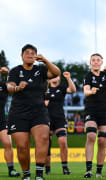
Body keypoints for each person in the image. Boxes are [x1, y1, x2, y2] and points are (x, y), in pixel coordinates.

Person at [6, 44, 60, 180]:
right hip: (18, 113)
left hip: (39, 111)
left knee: (43, 138)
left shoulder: (41, 70)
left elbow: (56, 73)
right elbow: (10, 86)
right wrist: (17, 88)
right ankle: (26, 174)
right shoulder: (15, 71)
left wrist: (46, 61)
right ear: (22, 55)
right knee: (22, 147)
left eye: (33, 53)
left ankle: (39, 174)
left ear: (36, 56)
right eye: (27, 53)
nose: (30, 55)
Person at [83, 53, 106, 178]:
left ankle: (99, 171)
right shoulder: (88, 76)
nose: (95, 62)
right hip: (91, 110)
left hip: (104, 110)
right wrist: (91, 91)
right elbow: (86, 91)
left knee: (102, 140)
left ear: (101, 62)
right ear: (90, 63)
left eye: (98, 60)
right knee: (91, 135)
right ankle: (88, 169)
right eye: (93, 60)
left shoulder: (105, 74)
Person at [44, 71, 76, 175]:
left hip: (59, 119)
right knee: (46, 145)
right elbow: (38, 104)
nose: (54, 77)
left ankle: (65, 168)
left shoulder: (61, 88)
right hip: (46, 119)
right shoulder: (44, 89)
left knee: (62, 142)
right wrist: (44, 103)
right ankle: (47, 169)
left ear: (58, 78)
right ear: (49, 78)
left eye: (56, 76)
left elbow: (72, 89)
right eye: (51, 76)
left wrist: (68, 78)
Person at [0, 67, 21, 177]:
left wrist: (8, 73)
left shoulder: (4, 86)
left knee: (8, 144)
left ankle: (11, 170)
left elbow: (17, 85)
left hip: (2, 120)